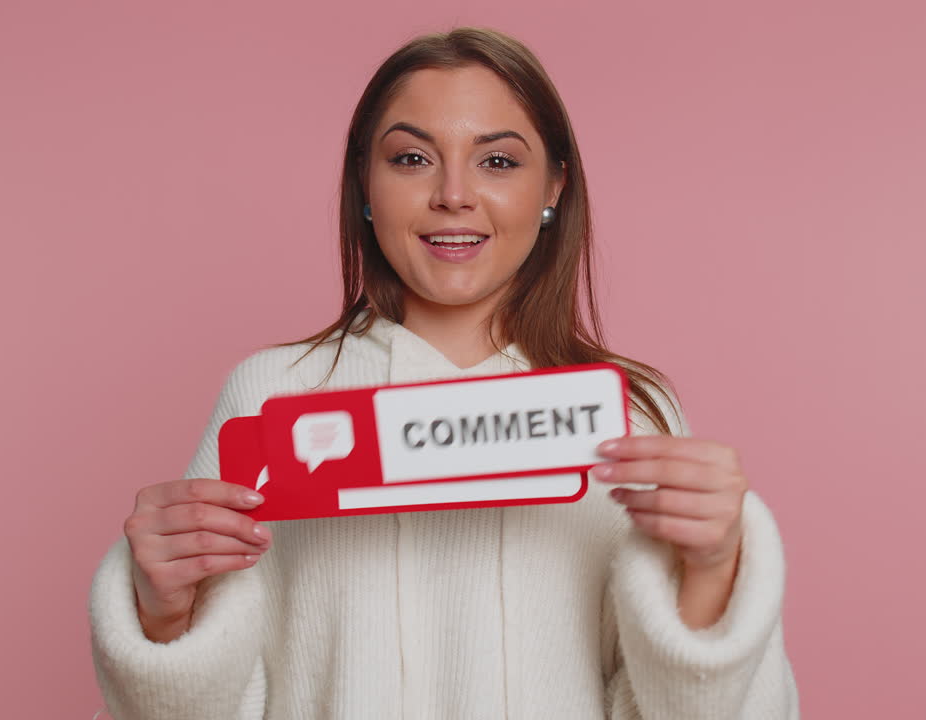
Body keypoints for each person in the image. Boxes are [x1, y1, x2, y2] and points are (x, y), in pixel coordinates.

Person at [88, 26, 799, 720]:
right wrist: (161, 610)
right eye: (411, 159)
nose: (453, 195)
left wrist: (713, 572)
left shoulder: (630, 414)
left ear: (553, 186)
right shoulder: (272, 396)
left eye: (497, 162)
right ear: (365, 184)